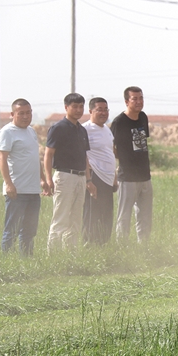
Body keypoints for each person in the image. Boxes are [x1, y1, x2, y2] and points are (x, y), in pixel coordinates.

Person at [0, 99, 51, 255]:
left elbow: (35, 158)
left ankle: (26, 262)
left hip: (33, 190)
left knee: (29, 231)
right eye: (21, 113)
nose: (26, 116)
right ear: (13, 114)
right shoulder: (7, 132)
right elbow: (2, 158)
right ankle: (6, 263)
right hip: (17, 190)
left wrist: (42, 179)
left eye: (28, 112)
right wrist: (8, 183)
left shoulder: (31, 131)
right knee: (11, 230)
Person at [44, 93, 96, 251]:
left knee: (75, 219)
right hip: (64, 176)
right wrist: (48, 179)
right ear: (66, 107)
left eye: (81, 106)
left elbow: (85, 157)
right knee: (60, 218)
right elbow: (48, 154)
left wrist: (88, 180)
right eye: (75, 106)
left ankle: (70, 255)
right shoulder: (58, 128)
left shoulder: (82, 130)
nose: (78, 110)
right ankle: (53, 256)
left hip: (80, 177)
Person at [111, 86, 153, 242]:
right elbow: (112, 148)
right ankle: (122, 246)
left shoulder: (143, 117)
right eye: (134, 99)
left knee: (145, 215)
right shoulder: (119, 122)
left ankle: (144, 246)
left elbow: (142, 143)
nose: (138, 102)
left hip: (145, 175)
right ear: (126, 101)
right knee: (125, 215)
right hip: (127, 177)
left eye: (141, 98)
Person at [82, 97, 118, 245]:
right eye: (99, 110)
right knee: (92, 216)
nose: (103, 113)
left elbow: (110, 154)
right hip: (95, 177)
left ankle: (103, 247)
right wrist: (88, 180)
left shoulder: (107, 130)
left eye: (105, 109)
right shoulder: (85, 129)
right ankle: (89, 247)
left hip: (108, 179)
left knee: (106, 216)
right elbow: (82, 154)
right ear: (90, 111)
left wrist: (114, 177)